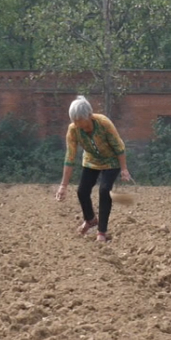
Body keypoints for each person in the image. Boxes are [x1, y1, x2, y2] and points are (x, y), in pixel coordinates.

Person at [54, 96, 132, 243]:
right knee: (82, 191)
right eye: (74, 121)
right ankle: (90, 219)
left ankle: (101, 231)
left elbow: (119, 147)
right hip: (91, 160)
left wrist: (124, 169)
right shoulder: (73, 130)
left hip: (111, 161)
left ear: (89, 116)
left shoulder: (103, 123)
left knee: (104, 190)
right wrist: (63, 186)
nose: (77, 124)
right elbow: (69, 157)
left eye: (79, 121)